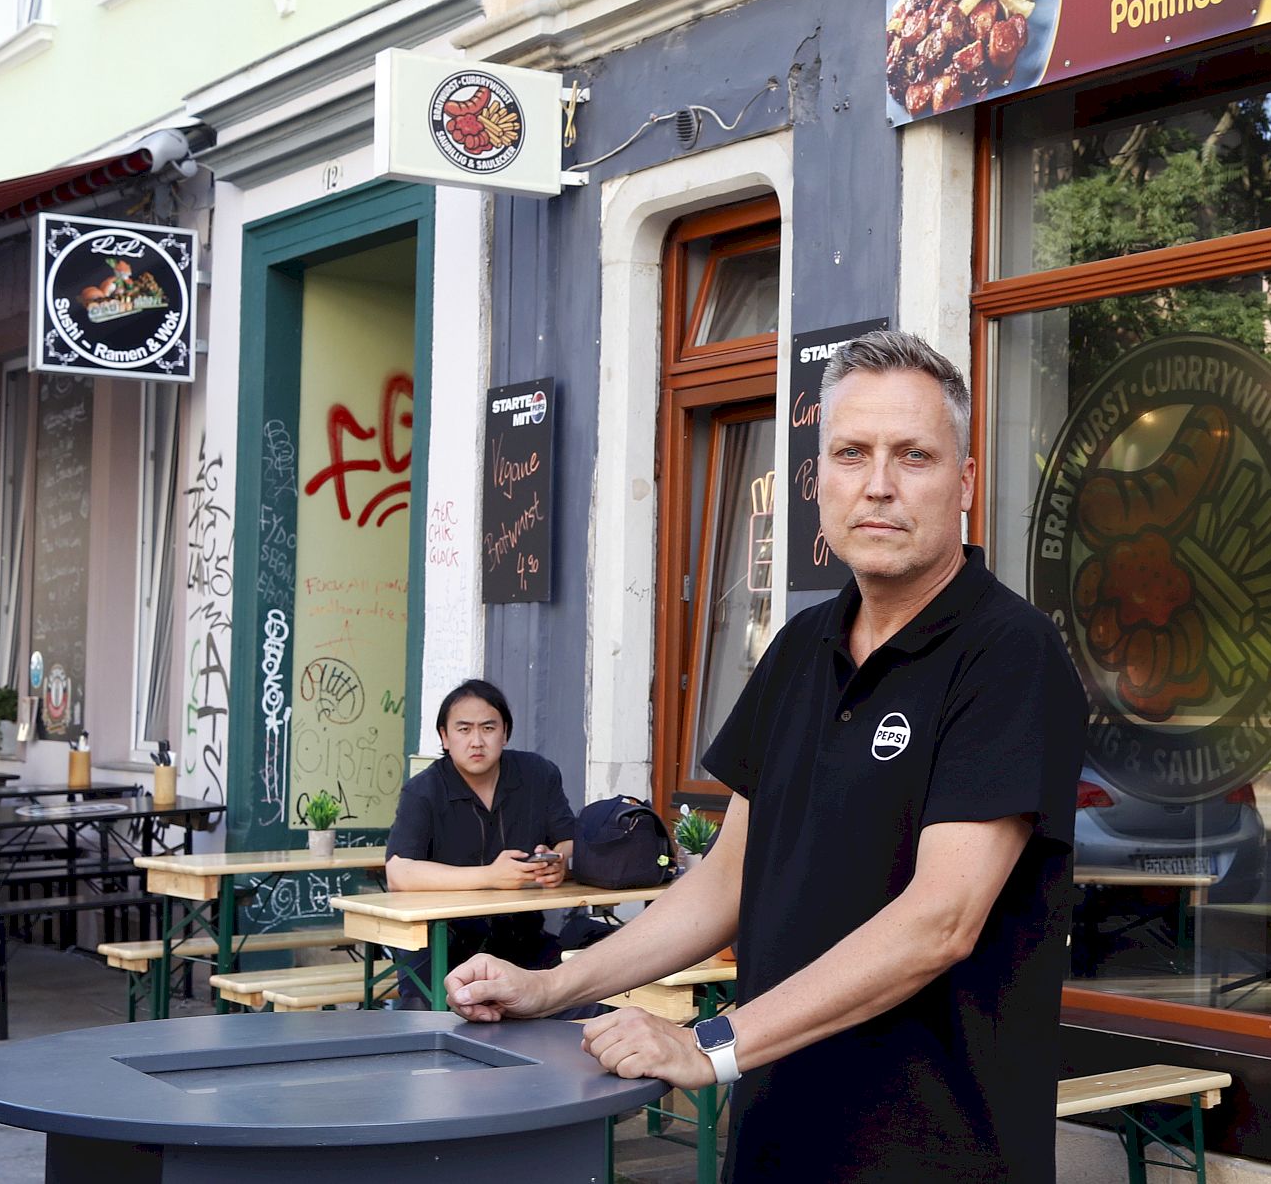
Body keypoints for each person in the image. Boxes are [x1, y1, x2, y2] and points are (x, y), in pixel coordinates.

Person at [444, 330, 1087, 1183]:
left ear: (965, 482)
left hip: (936, 1152)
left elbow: (941, 920)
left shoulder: (1009, 653)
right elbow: (723, 883)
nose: (880, 485)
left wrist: (710, 1043)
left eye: (915, 456)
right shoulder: (799, 647)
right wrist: (551, 985)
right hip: (780, 1140)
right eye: (852, 454)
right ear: (820, 483)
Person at [383, 678, 579, 999]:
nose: (476, 741)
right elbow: (398, 872)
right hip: (442, 947)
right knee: (430, 1016)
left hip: (520, 939)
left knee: (584, 986)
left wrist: (559, 862)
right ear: (445, 737)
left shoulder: (538, 775)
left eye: (488, 728)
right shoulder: (423, 791)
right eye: (463, 730)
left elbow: (569, 839)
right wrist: (490, 876)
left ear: (505, 733)